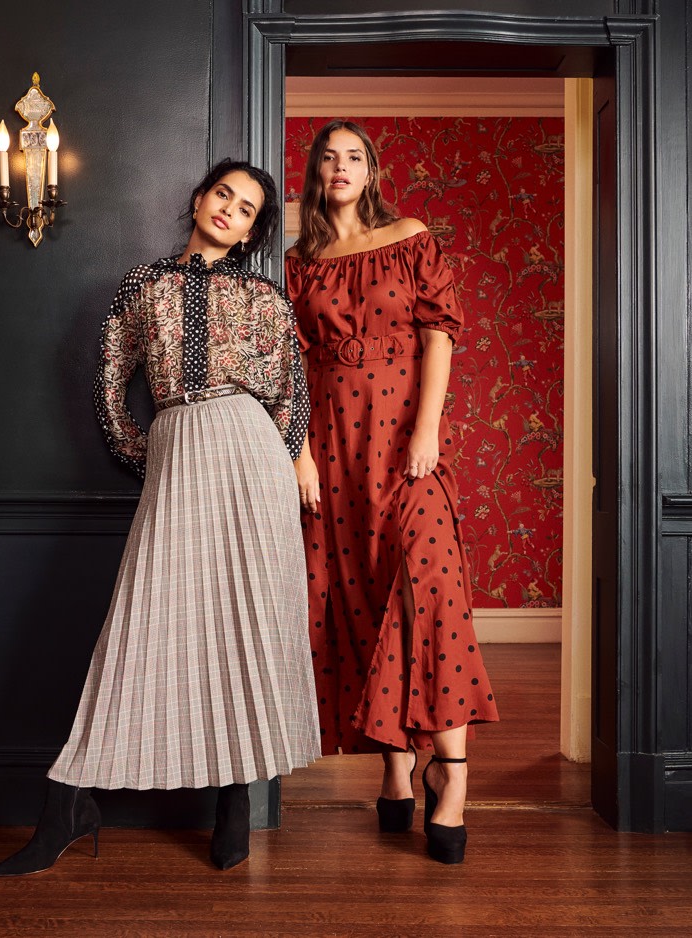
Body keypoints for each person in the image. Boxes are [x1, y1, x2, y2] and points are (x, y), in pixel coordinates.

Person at [0, 159, 321, 877]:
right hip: (177, 446)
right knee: (140, 623)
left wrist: (282, 454)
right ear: (199, 199)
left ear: (254, 230)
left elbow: (292, 390)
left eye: (247, 207)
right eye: (222, 194)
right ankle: (68, 806)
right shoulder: (144, 286)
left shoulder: (264, 293)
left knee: (250, 621)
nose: (230, 209)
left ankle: (238, 798)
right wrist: (148, 457)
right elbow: (110, 379)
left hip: (252, 457)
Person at [285, 120, 499, 864]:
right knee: (365, 600)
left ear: (372, 172)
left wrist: (426, 431)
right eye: (328, 158)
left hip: (405, 446)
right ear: (314, 174)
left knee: (431, 594)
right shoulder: (299, 264)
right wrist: (301, 455)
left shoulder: (410, 236)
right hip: (333, 452)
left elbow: (440, 332)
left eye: (354, 157)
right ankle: (396, 770)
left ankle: (453, 780)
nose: (340, 168)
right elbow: (291, 372)